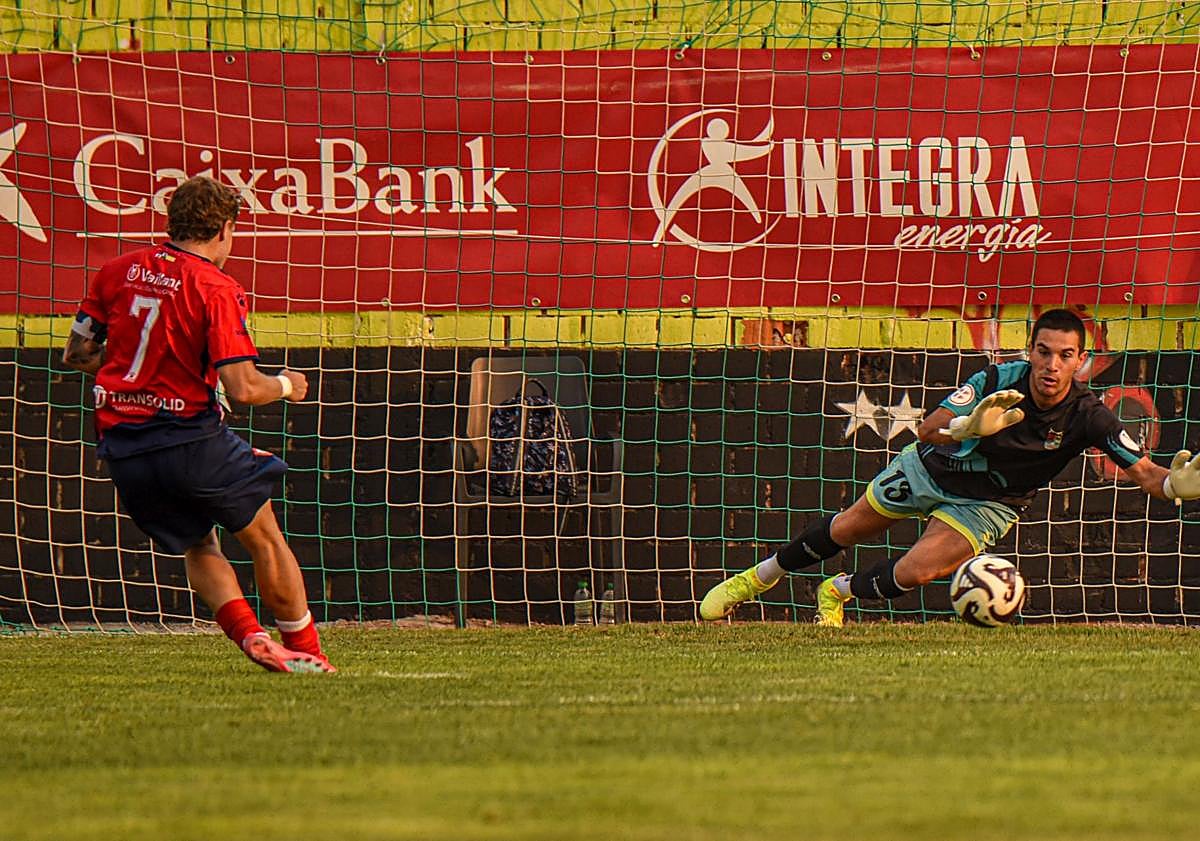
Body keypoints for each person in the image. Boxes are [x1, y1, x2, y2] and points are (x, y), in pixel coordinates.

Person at [700, 308, 1200, 626]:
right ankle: (758, 578)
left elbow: (1146, 474)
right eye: (1044, 352)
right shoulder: (997, 378)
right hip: (932, 469)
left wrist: (1176, 485)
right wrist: (967, 428)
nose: (1052, 365)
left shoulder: (1090, 415)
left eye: (1064, 356)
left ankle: (837, 591)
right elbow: (927, 429)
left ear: (1080, 360)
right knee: (846, 528)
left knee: (917, 572)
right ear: (1030, 351)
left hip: (989, 503)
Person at [62, 175, 334, 673]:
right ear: (225, 229)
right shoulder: (215, 287)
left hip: (124, 449)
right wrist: (286, 385)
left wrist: (139, 377)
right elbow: (244, 388)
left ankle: (251, 635)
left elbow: (77, 353)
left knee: (198, 543)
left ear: (173, 222)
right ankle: (309, 653)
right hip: (189, 439)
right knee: (264, 538)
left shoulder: (116, 271)